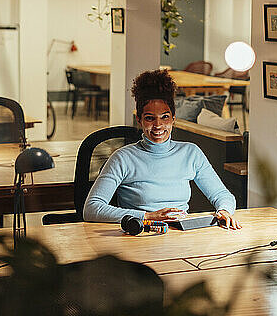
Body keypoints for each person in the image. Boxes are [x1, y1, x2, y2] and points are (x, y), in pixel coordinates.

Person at [83, 69, 241, 229]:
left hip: (181, 234)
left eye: (164, 117)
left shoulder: (191, 153)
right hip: (140, 233)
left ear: (173, 118)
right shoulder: (122, 158)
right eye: (150, 118)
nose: (158, 125)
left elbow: (222, 195)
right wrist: (147, 216)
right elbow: (91, 208)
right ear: (139, 120)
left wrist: (224, 210)